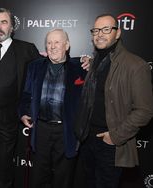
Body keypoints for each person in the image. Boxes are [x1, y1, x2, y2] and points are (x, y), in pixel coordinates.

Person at [75, 14, 153, 188]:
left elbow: (145, 111)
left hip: (110, 144)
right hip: (87, 139)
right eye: (96, 30)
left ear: (117, 33)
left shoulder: (135, 65)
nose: (99, 34)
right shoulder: (95, 62)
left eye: (106, 29)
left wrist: (115, 136)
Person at [0, 8, 40, 188]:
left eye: (4, 22)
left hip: (8, 119)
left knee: (4, 167)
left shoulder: (26, 50)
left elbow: (43, 73)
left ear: (12, 27)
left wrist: (81, 61)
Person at [19, 29, 88, 188]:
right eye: (49, 43)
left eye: (57, 42)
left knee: (63, 180)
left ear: (67, 45)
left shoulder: (81, 68)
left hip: (66, 131)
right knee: (37, 178)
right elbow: (25, 94)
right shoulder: (35, 66)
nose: (52, 46)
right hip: (41, 129)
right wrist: (23, 113)